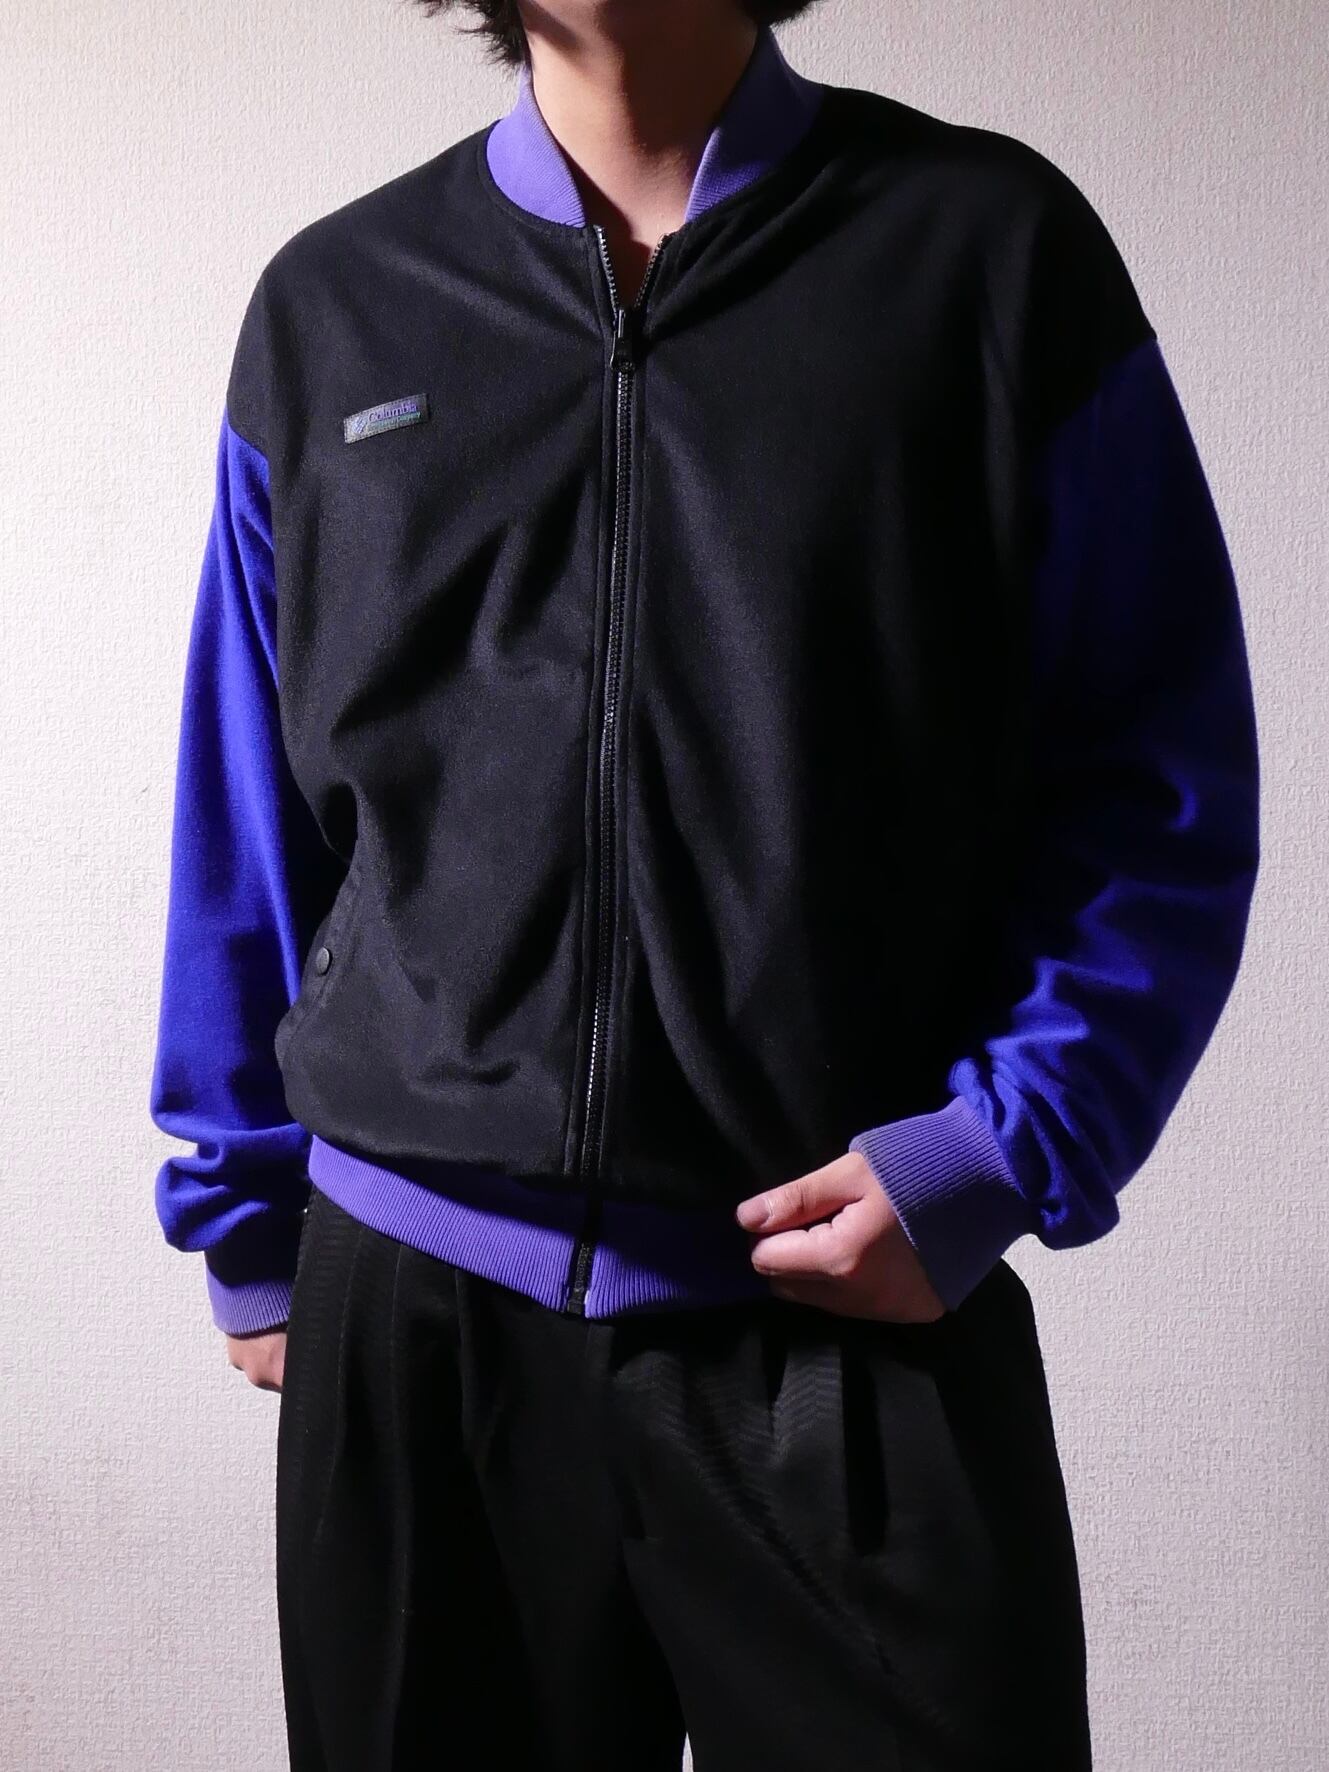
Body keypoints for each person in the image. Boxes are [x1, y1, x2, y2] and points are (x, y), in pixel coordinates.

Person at [147, 2, 1260, 1766]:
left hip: (841, 1318)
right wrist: (245, 1210)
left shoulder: (984, 253)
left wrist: (1000, 1149)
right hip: (418, 1326)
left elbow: (1155, 773)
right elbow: (250, 802)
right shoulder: (335, 301)